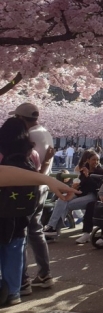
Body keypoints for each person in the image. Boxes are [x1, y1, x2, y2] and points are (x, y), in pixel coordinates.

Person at [10, 103, 56, 293]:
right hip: (42, 185)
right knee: (35, 231)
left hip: (29, 187)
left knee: (21, 232)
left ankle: (23, 280)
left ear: (21, 118)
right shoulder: (45, 132)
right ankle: (44, 274)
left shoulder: (30, 136)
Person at [0, 117, 45, 305]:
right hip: (21, 211)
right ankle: (14, 293)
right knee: (16, 248)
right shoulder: (31, 154)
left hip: (1, 210)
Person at [44, 150, 103, 237]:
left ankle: (54, 230)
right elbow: (82, 183)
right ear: (88, 160)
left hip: (93, 195)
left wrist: (87, 176)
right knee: (61, 199)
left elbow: (95, 187)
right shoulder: (84, 169)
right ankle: (51, 227)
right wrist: (76, 186)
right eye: (93, 159)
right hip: (81, 193)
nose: (96, 162)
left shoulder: (100, 171)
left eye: (97, 160)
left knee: (67, 205)